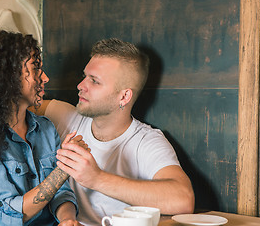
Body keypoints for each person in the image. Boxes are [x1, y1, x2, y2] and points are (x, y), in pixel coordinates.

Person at [30, 38, 195, 225]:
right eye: (85, 76)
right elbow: (11, 105)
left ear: (124, 96)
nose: (81, 85)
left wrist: (97, 179)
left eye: (95, 81)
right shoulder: (64, 116)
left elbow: (183, 199)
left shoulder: (146, 141)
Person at [0, 31, 85, 226]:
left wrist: (68, 219)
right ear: (8, 77)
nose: (45, 78)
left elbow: (61, 192)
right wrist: (63, 170)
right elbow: (10, 213)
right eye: (36, 69)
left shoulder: (45, 128)